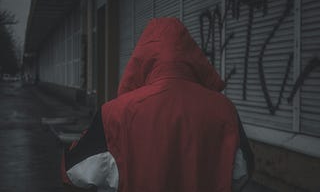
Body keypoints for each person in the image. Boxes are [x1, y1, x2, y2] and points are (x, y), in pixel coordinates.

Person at [61, 18, 254, 192]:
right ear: (192, 56)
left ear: (142, 57)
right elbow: (242, 171)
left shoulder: (114, 114)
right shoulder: (224, 110)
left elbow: (73, 171)